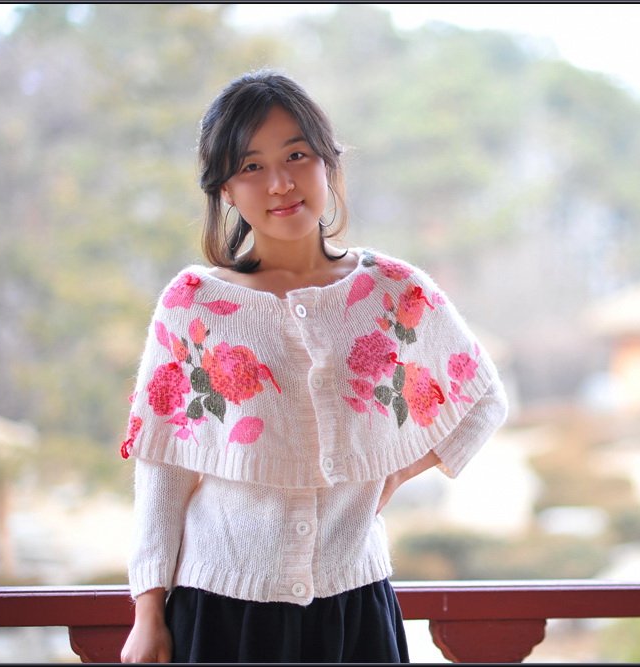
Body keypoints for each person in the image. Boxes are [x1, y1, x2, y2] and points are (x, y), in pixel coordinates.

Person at [119, 70, 508, 663]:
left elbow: (483, 400)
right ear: (225, 190)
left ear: (328, 164)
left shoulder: (393, 290)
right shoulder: (193, 304)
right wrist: (148, 613)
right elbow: (162, 469)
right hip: (220, 606)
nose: (280, 183)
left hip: (355, 602)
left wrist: (395, 474)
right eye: (251, 166)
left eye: (297, 156)